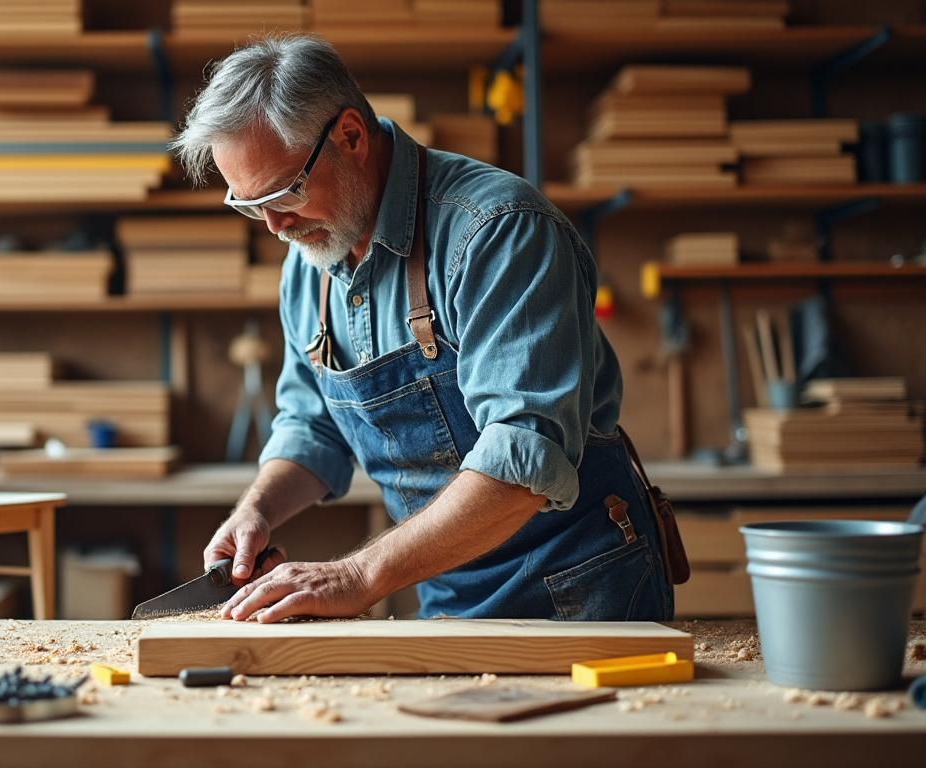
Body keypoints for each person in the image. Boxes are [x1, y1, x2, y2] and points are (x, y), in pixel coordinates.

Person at [171, 35, 675, 623]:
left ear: (350, 136)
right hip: (445, 588)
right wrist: (256, 510)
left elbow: (525, 459)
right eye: (249, 204)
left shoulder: (497, 232)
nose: (274, 225)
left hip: (581, 587)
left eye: (287, 192)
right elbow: (312, 427)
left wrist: (358, 575)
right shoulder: (310, 262)